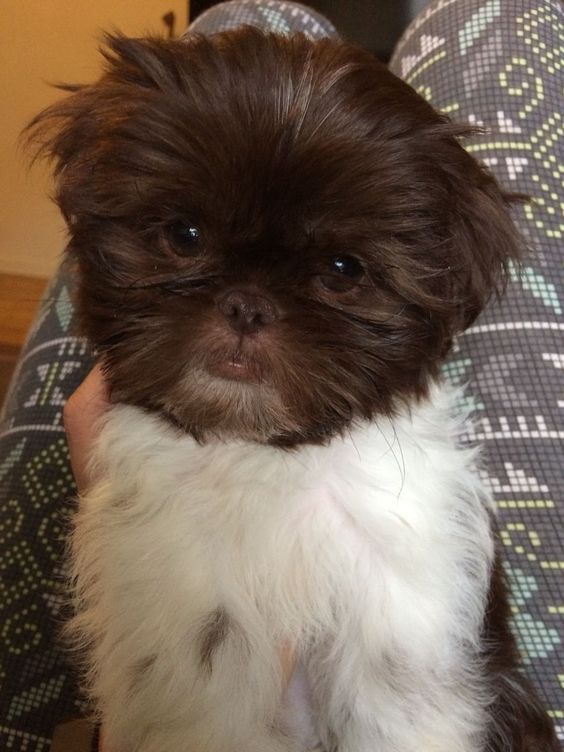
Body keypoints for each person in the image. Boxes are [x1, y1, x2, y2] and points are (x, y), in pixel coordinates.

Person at [1, 1, 562, 750]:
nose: (245, 312)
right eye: (184, 237)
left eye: (340, 271)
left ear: (444, 295)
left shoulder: (410, 502)